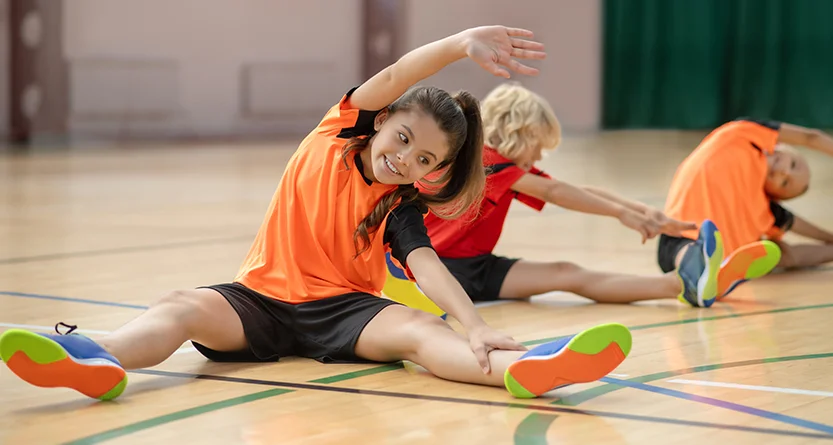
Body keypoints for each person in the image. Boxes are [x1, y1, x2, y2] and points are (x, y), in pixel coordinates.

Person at [0, 26, 631, 402]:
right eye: (403, 141)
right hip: (261, 300)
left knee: (419, 333)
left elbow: (424, 262)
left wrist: (471, 322)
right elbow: (397, 72)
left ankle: (523, 369)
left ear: (432, 172)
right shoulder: (336, 132)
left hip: (346, 313)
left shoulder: (400, 202)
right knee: (180, 305)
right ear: (380, 121)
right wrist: (459, 44)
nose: (406, 160)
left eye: (425, 160)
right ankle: (99, 356)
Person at [384, 82, 724, 311]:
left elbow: (571, 188)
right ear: (520, 132)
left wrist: (642, 211)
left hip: (475, 266)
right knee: (567, 274)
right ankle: (684, 279)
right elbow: (556, 191)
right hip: (443, 270)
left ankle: (682, 284)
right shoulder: (488, 163)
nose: (539, 157)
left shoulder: (506, 169)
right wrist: (622, 215)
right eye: (538, 146)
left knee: (567, 272)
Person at [660, 117, 833, 298]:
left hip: (724, 261)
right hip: (680, 236)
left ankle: (705, 278)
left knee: (783, 255)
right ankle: (695, 273)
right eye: (793, 164)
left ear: (776, 196)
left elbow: (793, 225)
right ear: (780, 145)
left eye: (785, 183)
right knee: (688, 250)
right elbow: (811, 137)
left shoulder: (764, 210)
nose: (785, 172)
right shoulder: (742, 136)